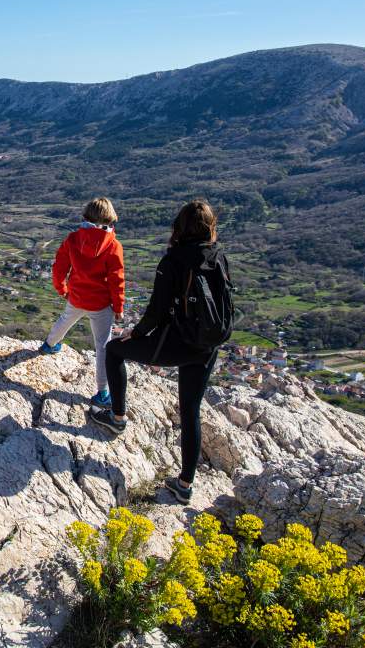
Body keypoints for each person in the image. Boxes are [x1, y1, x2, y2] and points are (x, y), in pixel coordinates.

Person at [90, 199, 230, 506]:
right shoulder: (217, 256)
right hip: (207, 345)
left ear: (179, 227)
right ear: (210, 227)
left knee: (114, 350)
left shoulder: (173, 261)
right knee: (190, 410)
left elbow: (156, 312)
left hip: (177, 342)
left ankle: (117, 416)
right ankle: (184, 485)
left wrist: (134, 333)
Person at [38, 197, 126, 410]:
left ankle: (49, 345)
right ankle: (103, 393)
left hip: (76, 296)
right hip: (100, 303)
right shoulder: (113, 246)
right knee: (102, 346)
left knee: (65, 319)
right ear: (110, 218)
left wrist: (63, 289)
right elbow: (117, 279)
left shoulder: (73, 239)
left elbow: (59, 267)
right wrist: (119, 307)